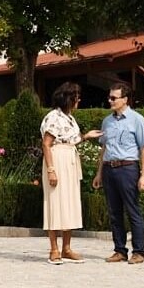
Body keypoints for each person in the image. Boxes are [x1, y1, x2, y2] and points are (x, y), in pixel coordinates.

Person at [42, 82, 102, 265]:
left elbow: (71, 139)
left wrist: (85, 136)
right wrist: (51, 170)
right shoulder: (54, 117)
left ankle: (66, 248)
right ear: (69, 98)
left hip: (69, 159)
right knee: (55, 202)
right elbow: (46, 144)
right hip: (57, 159)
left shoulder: (69, 118)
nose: (79, 100)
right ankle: (54, 248)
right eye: (76, 96)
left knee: (69, 203)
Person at [92, 81, 144, 264]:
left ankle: (138, 251)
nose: (110, 101)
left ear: (125, 99)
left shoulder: (137, 120)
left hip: (127, 168)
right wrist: (99, 173)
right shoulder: (107, 121)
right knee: (114, 212)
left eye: (113, 98)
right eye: (109, 97)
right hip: (110, 168)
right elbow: (104, 149)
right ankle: (120, 250)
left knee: (132, 210)